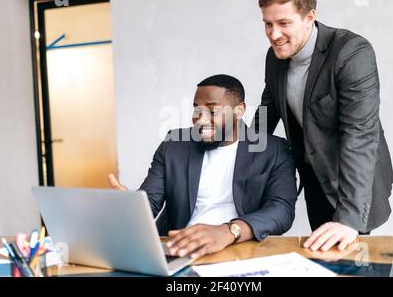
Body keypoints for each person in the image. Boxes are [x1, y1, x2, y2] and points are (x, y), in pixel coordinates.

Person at [253, 0, 393, 251]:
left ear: (309, 17)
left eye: (283, 23)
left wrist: (350, 218)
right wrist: (233, 156)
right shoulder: (275, 58)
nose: (273, 34)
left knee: (358, 262)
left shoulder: (352, 52)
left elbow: (360, 136)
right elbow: (265, 114)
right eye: (267, 24)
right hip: (313, 179)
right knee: (323, 261)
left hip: (354, 182)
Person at [109, 74, 298, 259]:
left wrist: (229, 231)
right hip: (182, 251)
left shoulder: (274, 150)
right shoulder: (173, 145)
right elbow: (150, 202)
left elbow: (282, 209)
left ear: (238, 111)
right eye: (196, 110)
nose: (200, 119)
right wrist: (130, 207)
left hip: (243, 249)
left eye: (212, 111)